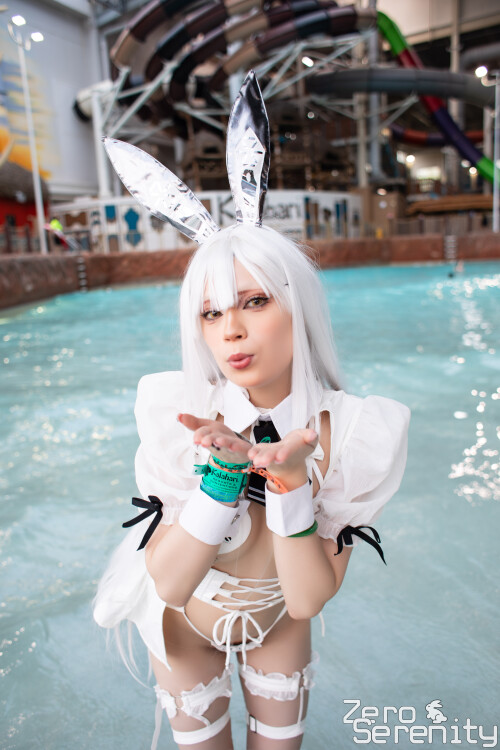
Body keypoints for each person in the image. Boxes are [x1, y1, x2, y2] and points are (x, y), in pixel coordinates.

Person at [93, 73, 410, 750]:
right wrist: (223, 475)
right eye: (210, 313)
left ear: (299, 305)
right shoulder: (181, 413)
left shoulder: (353, 432)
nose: (231, 329)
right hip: (184, 627)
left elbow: (306, 600)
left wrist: (292, 484)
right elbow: (171, 582)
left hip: (279, 624)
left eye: (255, 302)